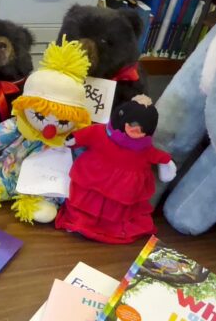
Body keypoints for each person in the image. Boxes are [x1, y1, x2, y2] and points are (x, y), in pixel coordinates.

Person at [55, 95, 177, 244]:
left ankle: (106, 228)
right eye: (133, 123)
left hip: (122, 191)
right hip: (95, 180)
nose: (135, 129)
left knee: (118, 212)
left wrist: (166, 162)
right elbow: (87, 134)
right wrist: (73, 139)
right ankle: (82, 222)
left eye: (142, 126)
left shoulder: (144, 148)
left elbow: (156, 155)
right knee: (86, 204)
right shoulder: (101, 132)